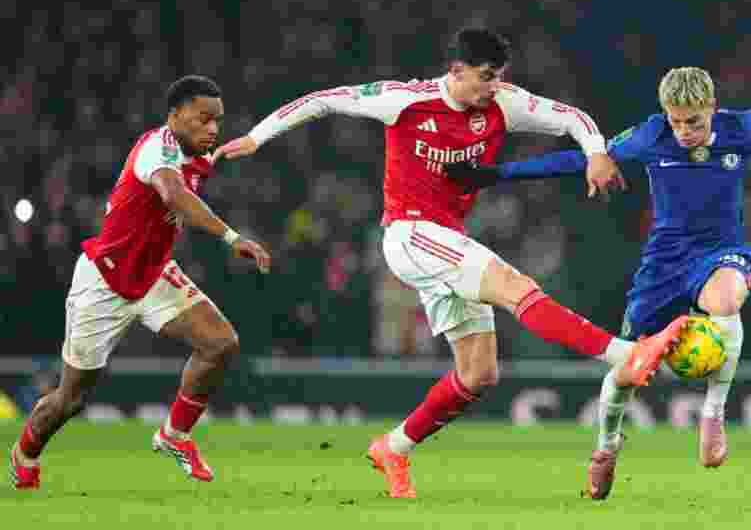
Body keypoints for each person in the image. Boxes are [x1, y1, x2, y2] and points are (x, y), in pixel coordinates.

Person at [214, 28, 687, 499]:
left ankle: (393, 448)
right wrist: (257, 138)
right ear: (456, 71)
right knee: (513, 284)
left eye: (498, 77)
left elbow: (574, 119)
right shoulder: (404, 100)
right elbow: (321, 100)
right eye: (485, 77)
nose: (492, 87)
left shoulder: (504, 102)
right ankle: (625, 354)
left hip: (448, 239)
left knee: (479, 374)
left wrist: (597, 153)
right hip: (410, 233)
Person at [446, 67, 751, 499]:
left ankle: (713, 414)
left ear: (712, 110)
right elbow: (583, 160)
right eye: (675, 120)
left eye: (694, 121)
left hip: (720, 251)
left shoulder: (742, 128)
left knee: (727, 298)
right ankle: (606, 449)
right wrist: (496, 174)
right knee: (626, 372)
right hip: (663, 266)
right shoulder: (650, 136)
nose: (683, 131)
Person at [10, 75, 272, 490]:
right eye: (204, 119)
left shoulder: (198, 153)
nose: (213, 129)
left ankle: (174, 435)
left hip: (153, 275)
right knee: (70, 399)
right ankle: (25, 452)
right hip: (104, 280)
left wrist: (227, 150)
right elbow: (173, 194)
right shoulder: (156, 149)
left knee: (221, 342)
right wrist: (231, 236)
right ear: (175, 115)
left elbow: (198, 168)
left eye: (217, 121)